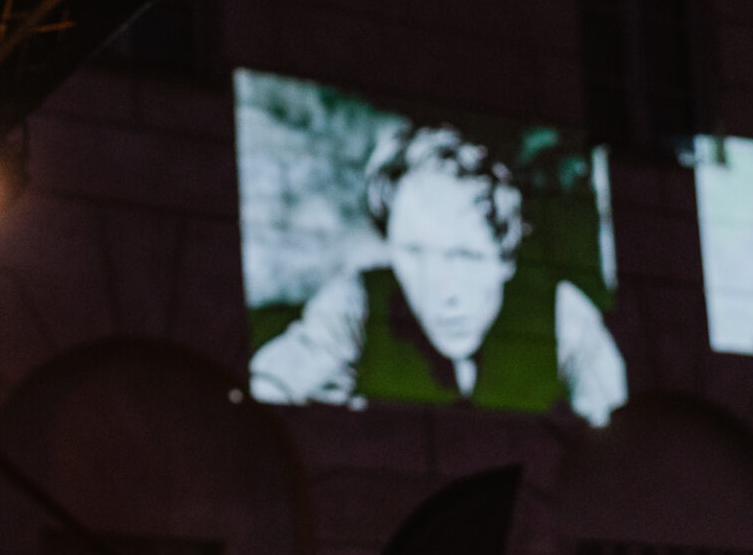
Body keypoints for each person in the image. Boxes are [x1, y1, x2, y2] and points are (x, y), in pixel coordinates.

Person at [249, 123, 627, 422]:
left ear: (505, 256)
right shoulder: (356, 302)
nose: (442, 291)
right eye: (414, 253)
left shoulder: (564, 315)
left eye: (465, 256)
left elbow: (618, 434)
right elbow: (267, 386)